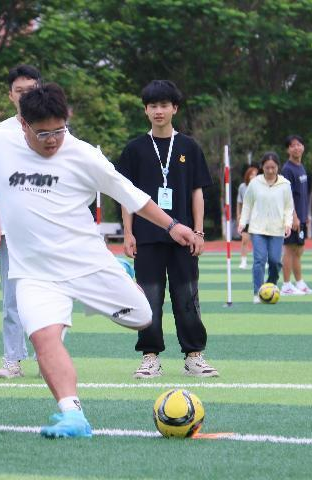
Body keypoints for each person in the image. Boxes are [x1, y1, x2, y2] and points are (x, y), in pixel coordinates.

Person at [0, 83, 200, 438]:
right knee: (44, 339)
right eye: (43, 133)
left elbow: (132, 195)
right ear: (23, 124)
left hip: (87, 262)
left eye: (59, 130)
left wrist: (173, 226)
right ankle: (73, 414)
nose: (52, 140)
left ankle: (119, 272)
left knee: (142, 317)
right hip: (34, 274)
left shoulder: (83, 155)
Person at [117, 79, 218, 379]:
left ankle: (194, 356)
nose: (158, 111)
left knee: (187, 296)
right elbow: (126, 195)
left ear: (175, 108)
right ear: (145, 110)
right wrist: (128, 232)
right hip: (147, 237)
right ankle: (150, 357)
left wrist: (198, 231)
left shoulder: (189, 147)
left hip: (184, 237)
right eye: (153, 106)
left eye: (164, 105)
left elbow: (197, 192)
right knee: (148, 298)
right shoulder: (134, 149)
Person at [0, 64, 42, 379]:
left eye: (30, 90)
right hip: (11, 229)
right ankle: (12, 359)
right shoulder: (0, 133)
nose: (25, 96)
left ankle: (48, 357)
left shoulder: (55, 127)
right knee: (12, 296)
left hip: (45, 227)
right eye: (19, 91)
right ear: (10, 95)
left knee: (49, 294)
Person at [238, 152, 294, 304]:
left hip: (277, 229)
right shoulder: (255, 183)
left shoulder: (285, 184)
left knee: (275, 261)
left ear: (278, 167)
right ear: (262, 167)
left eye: (273, 167)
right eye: (267, 167)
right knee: (259, 260)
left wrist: (288, 224)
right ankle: (257, 292)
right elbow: (247, 204)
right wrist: (243, 222)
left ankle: (270, 287)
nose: (270, 170)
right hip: (257, 228)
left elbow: (288, 207)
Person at [280, 135, 312, 295]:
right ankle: (286, 285)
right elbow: (286, 195)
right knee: (289, 249)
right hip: (291, 218)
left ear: (303, 147)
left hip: (301, 217)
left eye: (299, 144)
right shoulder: (287, 169)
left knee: (299, 250)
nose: (296, 148)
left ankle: (299, 283)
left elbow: (302, 195)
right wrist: (293, 216)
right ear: (288, 149)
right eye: (292, 145)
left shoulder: (301, 167)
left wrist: (305, 215)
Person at [236, 165, 260, 269]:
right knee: (245, 240)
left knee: (259, 242)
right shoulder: (242, 187)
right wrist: (238, 215)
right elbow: (239, 202)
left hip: (258, 219)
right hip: (246, 219)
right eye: (252, 174)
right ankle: (243, 261)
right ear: (248, 175)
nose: (253, 176)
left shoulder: (261, 187)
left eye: (255, 175)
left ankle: (262, 261)